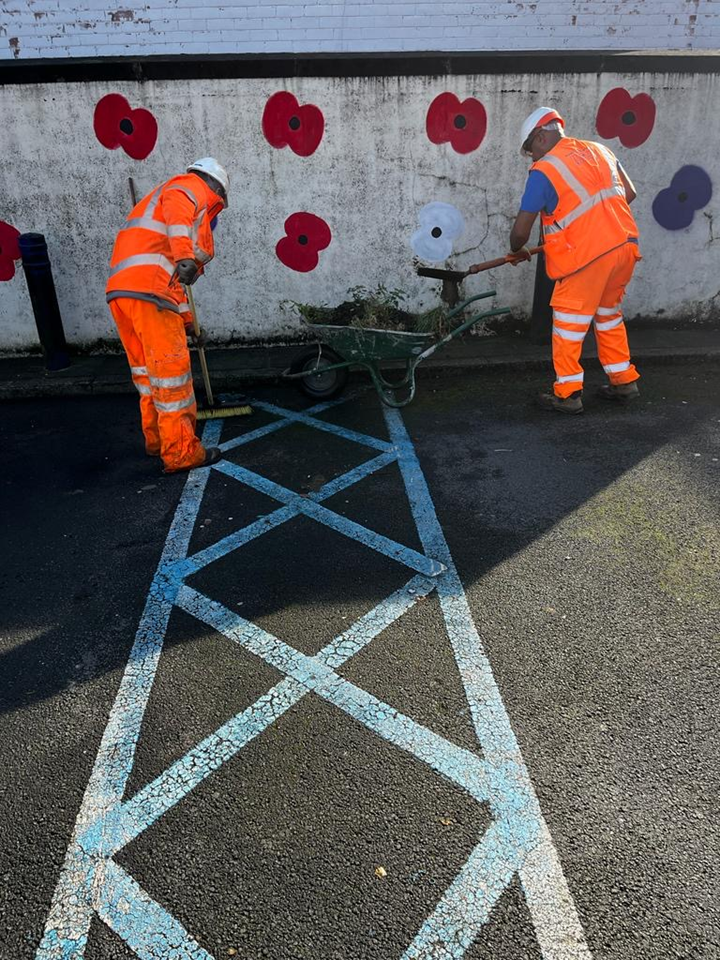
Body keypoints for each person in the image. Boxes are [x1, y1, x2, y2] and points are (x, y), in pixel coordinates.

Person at [506, 107, 641, 414]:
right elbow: (629, 193)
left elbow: (520, 232)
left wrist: (516, 251)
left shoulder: (545, 170)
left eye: (530, 151)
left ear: (540, 137)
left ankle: (567, 394)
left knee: (568, 322)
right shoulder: (600, 150)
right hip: (624, 246)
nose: (532, 158)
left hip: (588, 257)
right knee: (608, 316)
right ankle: (623, 381)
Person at [106, 158, 229, 471]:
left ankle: (158, 441)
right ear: (215, 189)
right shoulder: (189, 187)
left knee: (149, 376)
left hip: (126, 293)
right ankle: (182, 453)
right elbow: (179, 208)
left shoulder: (155, 204)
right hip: (151, 293)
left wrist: (189, 326)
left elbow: (175, 287)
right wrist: (187, 256)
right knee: (172, 378)